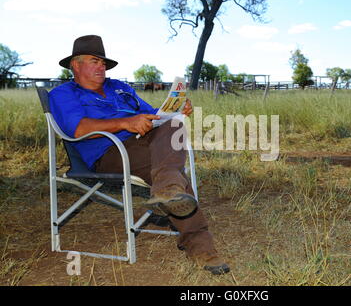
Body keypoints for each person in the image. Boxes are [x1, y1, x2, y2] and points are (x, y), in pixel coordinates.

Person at [49, 35, 229, 275]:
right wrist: (126, 123)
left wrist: (176, 109)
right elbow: (78, 129)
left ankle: (167, 190)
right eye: (94, 61)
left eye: (103, 62)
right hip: (109, 152)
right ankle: (198, 243)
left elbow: (154, 115)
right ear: (75, 64)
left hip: (144, 144)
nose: (101, 66)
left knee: (174, 126)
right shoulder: (64, 93)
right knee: (173, 172)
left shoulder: (119, 87)